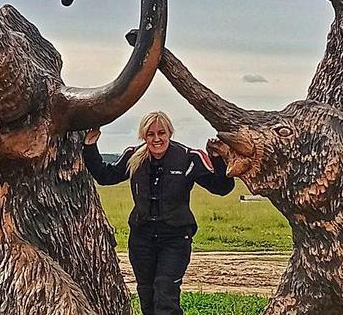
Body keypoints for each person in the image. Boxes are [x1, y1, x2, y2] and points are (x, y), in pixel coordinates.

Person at [83, 111, 235, 315]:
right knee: (147, 296)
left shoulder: (189, 157)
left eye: (161, 133)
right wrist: (90, 147)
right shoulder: (133, 156)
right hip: (141, 239)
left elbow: (221, 187)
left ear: (170, 133)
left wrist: (218, 159)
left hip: (175, 238)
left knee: (165, 294)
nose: (156, 139)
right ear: (143, 136)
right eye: (150, 134)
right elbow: (105, 176)